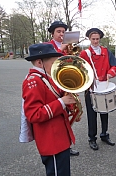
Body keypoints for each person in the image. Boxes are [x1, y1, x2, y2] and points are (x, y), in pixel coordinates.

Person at [22, 43, 78, 176]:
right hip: (51, 142)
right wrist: (61, 102)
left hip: (59, 138)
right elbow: (34, 114)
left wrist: (72, 108)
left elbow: (59, 96)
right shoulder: (33, 81)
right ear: (40, 62)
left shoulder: (48, 77)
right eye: (53, 63)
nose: (56, 66)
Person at [79, 28, 116, 150]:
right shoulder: (84, 54)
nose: (95, 41)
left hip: (104, 86)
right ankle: (92, 138)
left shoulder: (106, 51)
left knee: (105, 112)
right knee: (92, 114)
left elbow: (115, 65)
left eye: (97, 39)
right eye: (93, 39)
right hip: (90, 88)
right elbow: (80, 71)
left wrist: (111, 73)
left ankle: (104, 134)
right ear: (89, 39)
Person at [47, 20, 79, 156]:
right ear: (53, 33)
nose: (61, 34)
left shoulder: (69, 46)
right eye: (58, 31)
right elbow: (49, 63)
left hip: (66, 81)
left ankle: (66, 145)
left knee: (67, 114)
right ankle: (57, 146)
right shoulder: (48, 46)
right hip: (53, 83)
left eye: (63, 32)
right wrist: (60, 50)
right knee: (57, 115)